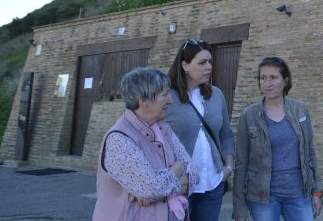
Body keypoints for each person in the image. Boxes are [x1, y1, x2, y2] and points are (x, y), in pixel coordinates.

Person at [93, 67, 199, 221]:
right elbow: (152, 188)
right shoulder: (119, 139)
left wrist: (157, 192)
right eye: (164, 94)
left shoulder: (164, 129)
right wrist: (179, 168)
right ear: (143, 101)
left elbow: (194, 173)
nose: (171, 100)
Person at [233, 56, 323, 221]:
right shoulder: (249, 115)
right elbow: (241, 162)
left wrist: (317, 191)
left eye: (273, 78)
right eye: (263, 78)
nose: (267, 83)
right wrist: (239, 207)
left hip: (299, 194)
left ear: (285, 81)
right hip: (263, 197)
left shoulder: (300, 110)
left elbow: (310, 152)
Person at [165, 38, 236, 221]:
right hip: (178, 186)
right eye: (202, 62)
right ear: (185, 65)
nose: (209, 67)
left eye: (210, 62)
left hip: (212, 184)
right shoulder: (166, 97)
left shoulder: (216, 95)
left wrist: (228, 168)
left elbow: (226, 134)